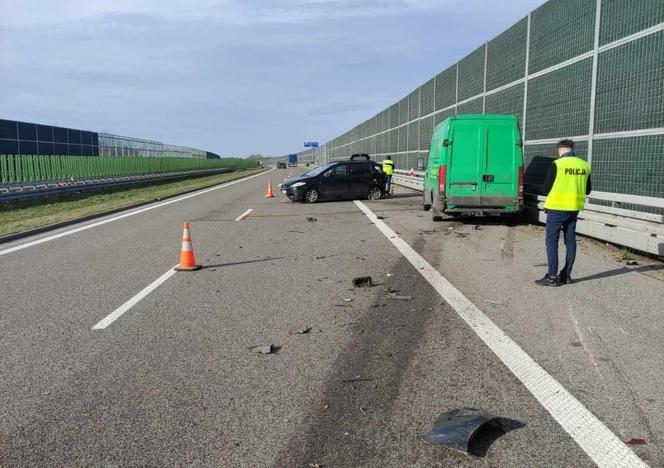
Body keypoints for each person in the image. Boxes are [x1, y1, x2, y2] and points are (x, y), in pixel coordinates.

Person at [535, 139, 592, 287]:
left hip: (557, 208)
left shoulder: (558, 164)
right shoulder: (584, 165)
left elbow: (545, 189)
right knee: (570, 241)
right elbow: (587, 190)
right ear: (572, 148)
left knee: (552, 242)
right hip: (574, 209)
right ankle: (566, 275)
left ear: (559, 150)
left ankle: (552, 276)